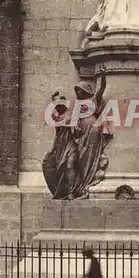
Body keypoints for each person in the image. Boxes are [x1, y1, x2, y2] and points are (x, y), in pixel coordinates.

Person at [42, 65, 112, 200]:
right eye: (77, 90)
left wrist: (103, 76)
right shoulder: (76, 108)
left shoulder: (93, 100)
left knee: (88, 156)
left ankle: (84, 181)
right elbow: (68, 122)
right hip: (81, 135)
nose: (78, 93)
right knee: (80, 159)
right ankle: (76, 186)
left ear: (86, 90)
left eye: (80, 90)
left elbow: (101, 90)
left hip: (92, 130)